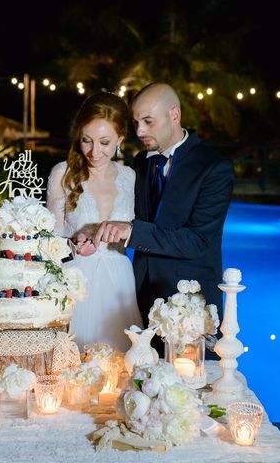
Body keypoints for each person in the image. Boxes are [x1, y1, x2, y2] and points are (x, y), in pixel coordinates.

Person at [95, 83, 234, 356]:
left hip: (189, 305)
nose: (140, 131)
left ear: (174, 115)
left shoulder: (214, 167)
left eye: (148, 121)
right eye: (136, 123)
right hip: (138, 300)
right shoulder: (141, 163)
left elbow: (198, 241)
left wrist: (132, 232)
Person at [47, 92, 143, 351]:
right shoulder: (61, 174)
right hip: (77, 282)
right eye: (87, 140)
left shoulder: (130, 177)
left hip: (120, 284)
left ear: (120, 140)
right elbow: (48, 244)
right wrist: (73, 243)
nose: (94, 151)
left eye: (104, 142)